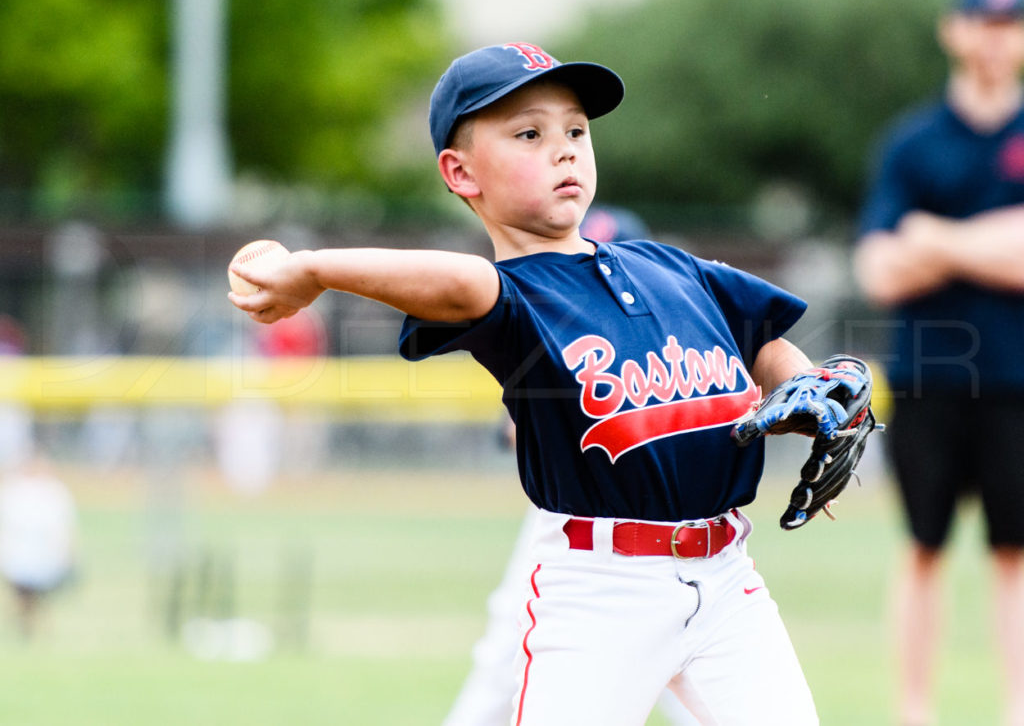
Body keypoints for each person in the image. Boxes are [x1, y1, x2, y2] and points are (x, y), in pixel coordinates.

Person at [229, 41, 843, 724]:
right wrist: (313, 269)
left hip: (729, 577)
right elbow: (460, 281)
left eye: (576, 131)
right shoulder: (515, 296)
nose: (565, 149)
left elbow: (764, 343)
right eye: (529, 133)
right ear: (460, 172)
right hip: (601, 591)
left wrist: (811, 392)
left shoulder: (670, 267)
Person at [442, 207, 699, 726]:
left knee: (692, 660)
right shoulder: (553, 327)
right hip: (569, 527)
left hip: (673, 532)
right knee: (504, 656)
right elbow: (515, 430)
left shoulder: (669, 329)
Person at [853, 0, 1024, 726]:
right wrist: (995, 241)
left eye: (1010, 23)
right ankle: (914, 711)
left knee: (1013, 555)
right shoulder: (912, 143)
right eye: (984, 22)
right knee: (924, 547)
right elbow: (880, 270)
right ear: (955, 31)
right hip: (928, 376)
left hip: (1019, 379)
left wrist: (937, 238)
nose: (996, 38)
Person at [0, 454, 78, 639]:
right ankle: (28, 628)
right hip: (20, 557)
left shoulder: (54, 492)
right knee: (25, 597)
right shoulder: (14, 492)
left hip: (44, 557)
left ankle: (37, 629)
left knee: (40, 598)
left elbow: (64, 527)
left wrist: (66, 553)